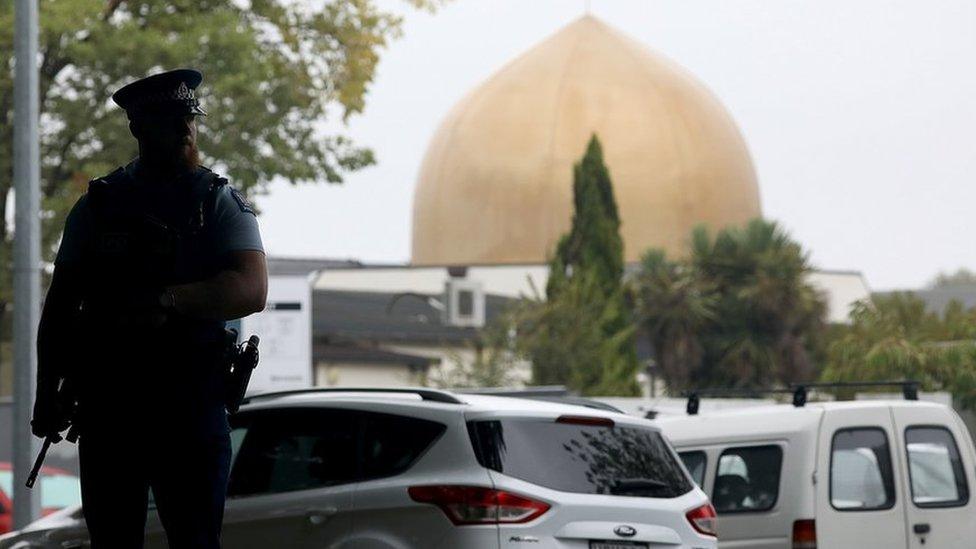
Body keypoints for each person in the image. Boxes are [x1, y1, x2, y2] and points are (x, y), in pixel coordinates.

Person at [30, 68, 268, 549]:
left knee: (195, 539)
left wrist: (167, 299)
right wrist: (46, 392)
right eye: (170, 119)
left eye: (189, 118)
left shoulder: (216, 201)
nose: (185, 128)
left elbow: (251, 288)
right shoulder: (98, 206)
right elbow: (59, 307)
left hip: (190, 405)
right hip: (111, 407)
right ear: (139, 128)